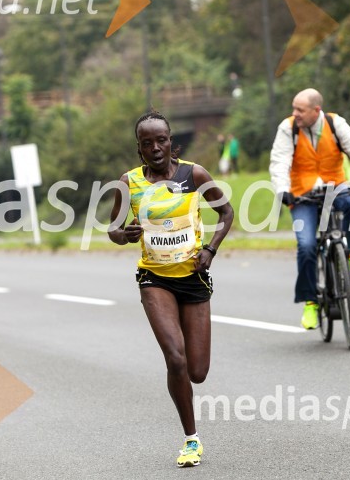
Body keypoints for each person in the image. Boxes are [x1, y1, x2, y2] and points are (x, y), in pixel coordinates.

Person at [108, 109, 233, 468]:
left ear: (171, 141)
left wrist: (210, 249)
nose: (155, 147)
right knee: (175, 359)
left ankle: (191, 425)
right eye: (147, 143)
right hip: (154, 278)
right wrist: (124, 235)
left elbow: (226, 214)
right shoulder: (128, 182)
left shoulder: (194, 174)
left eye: (160, 140)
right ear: (139, 148)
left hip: (193, 278)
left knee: (198, 371)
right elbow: (113, 231)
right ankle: (191, 440)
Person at [269, 88, 350, 329]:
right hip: (301, 195)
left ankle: (349, 254)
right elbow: (280, 161)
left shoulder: (334, 123)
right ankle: (310, 303)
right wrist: (282, 189)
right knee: (307, 246)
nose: (294, 113)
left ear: (316, 110)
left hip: (335, 187)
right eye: (294, 108)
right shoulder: (288, 128)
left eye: (300, 109)